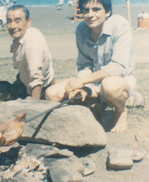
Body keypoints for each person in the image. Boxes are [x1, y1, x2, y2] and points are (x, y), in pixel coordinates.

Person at [46, 0, 136, 133]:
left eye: (96, 9)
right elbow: (84, 65)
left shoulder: (119, 25)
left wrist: (82, 81)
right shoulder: (81, 30)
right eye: (86, 10)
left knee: (109, 86)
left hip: (119, 81)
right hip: (95, 83)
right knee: (52, 93)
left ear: (108, 12)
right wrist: (82, 87)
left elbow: (118, 67)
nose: (90, 14)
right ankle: (95, 107)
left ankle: (121, 110)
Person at [0, 5, 55, 101]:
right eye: (9, 21)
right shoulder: (24, 35)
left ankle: (20, 99)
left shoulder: (31, 44)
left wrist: (34, 105)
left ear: (28, 22)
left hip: (39, 89)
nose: (13, 26)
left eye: (18, 21)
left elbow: (36, 79)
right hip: (24, 81)